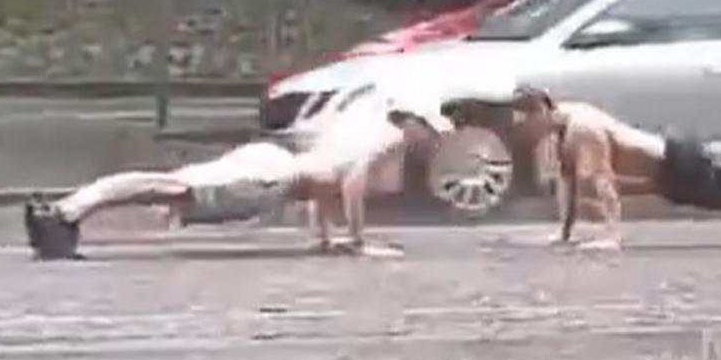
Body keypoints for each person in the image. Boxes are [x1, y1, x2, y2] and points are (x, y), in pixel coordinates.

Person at [23, 89, 452, 261]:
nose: (429, 144)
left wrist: (326, 239)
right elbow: (350, 182)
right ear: (415, 123)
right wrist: (358, 241)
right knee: (170, 188)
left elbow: (324, 183)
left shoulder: (363, 121)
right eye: (430, 134)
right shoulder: (390, 138)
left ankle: (66, 213)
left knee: (170, 189)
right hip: (270, 178)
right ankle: (64, 213)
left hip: (271, 166)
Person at [443, 86, 721, 250]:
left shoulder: (581, 130)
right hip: (674, 170)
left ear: (542, 109)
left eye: (526, 120)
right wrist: (565, 235)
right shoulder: (565, 123)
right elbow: (573, 186)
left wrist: (609, 239)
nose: (523, 131)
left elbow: (600, 184)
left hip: (680, 167)